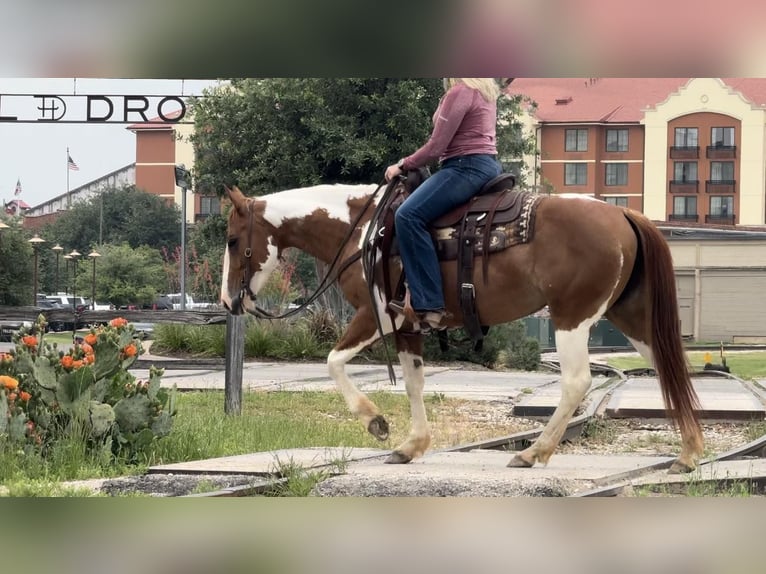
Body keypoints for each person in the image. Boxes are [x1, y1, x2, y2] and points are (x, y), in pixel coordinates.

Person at [384, 78, 503, 330]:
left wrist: (402, 165)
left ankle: (429, 304)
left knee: (407, 215)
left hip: (464, 167)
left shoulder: (460, 92)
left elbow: (436, 147)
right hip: (487, 165)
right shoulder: (485, 91)